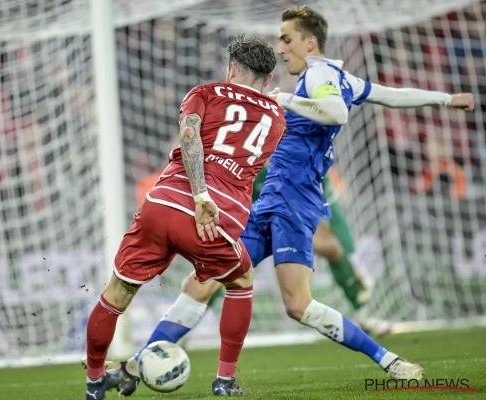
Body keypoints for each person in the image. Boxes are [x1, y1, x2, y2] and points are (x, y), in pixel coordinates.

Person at [96, 5, 475, 397]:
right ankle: (136, 366)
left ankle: (389, 360)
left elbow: (337, 113)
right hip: (270, 201)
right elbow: (391, 95)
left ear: (310, 43)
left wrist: (287, 100)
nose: (280, 48)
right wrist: (446, 99)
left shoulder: (320, 76)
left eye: (286, 39)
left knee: (297, 304)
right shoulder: (340, 78)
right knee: (202, 282)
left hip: (295, 203)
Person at [84, 34, 285, 399]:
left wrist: (197, 191)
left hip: (162, 203)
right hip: (213, 219)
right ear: (268, 78)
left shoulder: (205, 92)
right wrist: (204, 198)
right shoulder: (277, 117)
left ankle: (95, 382)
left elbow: (190, 133)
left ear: (232, 69)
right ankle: (225, 381)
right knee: (240, 281)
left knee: (116, 292)